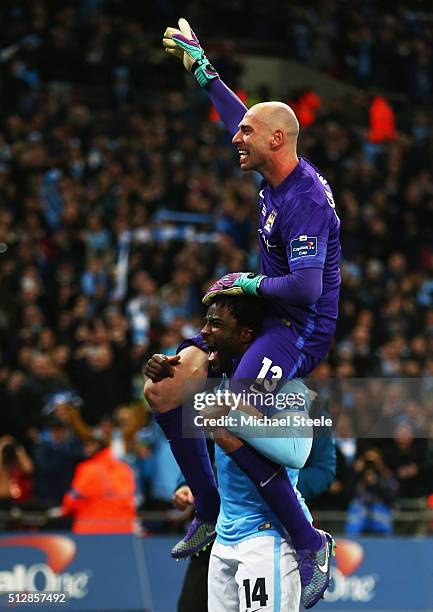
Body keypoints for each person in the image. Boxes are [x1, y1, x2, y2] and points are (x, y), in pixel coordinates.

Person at [154, 17, 340, 608]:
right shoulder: (271, 176)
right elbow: (237, 114)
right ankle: (209, 511)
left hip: (296, 332)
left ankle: (310, 543)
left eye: (248, 132)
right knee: (167, 387)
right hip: (266, 318)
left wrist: (248, 280)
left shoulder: (304, 199)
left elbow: (307, 291)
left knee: (224, 411)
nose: (237, 137)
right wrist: (203, 69)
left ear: (277, 140)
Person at [146, 295, 317, 611]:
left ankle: (311, 542)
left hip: (268, 537)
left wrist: (231, 417)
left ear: (245, 335)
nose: (204, 332)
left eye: (216, 324)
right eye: (205, 322)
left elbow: (297, 452)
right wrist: (163, 372)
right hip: (224, 539)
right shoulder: (220, 382)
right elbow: (217, 450)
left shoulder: (283, 382)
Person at [61, 437, 138, 534]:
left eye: (89, 445)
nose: (86, 449)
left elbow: (71, 501)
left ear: (97, 446)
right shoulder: (125, 469)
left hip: (91, 530)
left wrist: (65, 510)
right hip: (124, 529)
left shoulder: (88, 470)